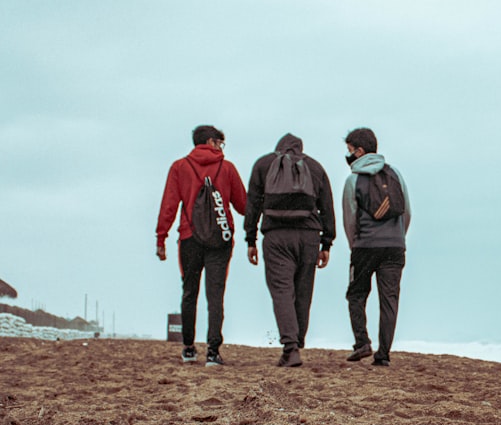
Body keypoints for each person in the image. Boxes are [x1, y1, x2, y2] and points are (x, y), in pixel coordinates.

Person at [156, 125, 247, 367]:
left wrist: (161, 237)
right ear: (211, 141)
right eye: (220, 143)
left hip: (189, 237)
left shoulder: (179, 167)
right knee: (215, 295)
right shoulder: (227, 168)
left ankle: (188, 348)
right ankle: (213, 352)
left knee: (189, 291)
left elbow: (169, 204)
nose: (221, 148)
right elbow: (242, 205)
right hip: (220, 239)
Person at [244, 133, 336, 367]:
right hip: (308, 237)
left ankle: (290, 347)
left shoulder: (263, 164)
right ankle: (297, 341)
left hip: (276, 236)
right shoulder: (315, 168)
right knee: (303, 291)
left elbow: (252, 204)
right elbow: (327, 207)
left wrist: (251, 240)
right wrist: (327, 243)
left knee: (282, 291)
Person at [342, 128, 411, 366]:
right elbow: (407, 212)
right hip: (394, 246)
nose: (348, 155)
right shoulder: (395, 175)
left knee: (356, 294)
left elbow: (350, 219)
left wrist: (355, 246)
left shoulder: (353, 180)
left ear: (359, 151)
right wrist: (398, 238)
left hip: (365, 246)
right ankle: (383, 355)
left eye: (349, 151)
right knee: (389, 299)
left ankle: (362, 342)